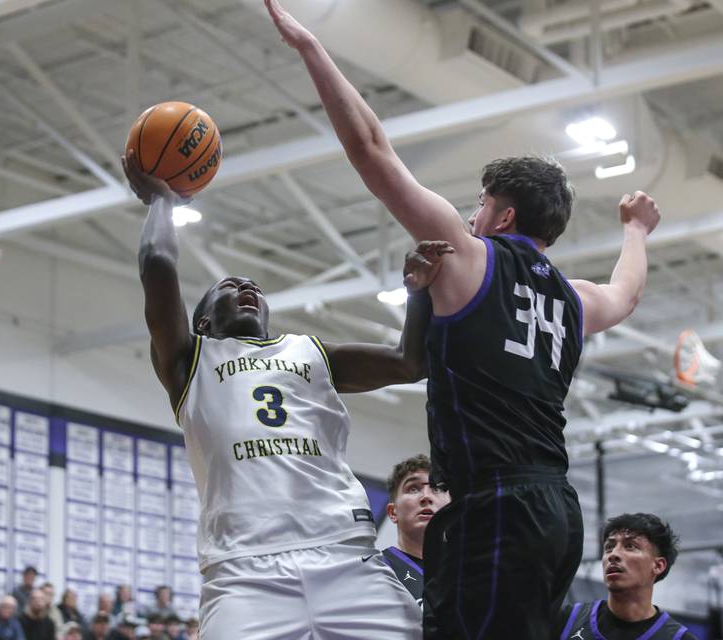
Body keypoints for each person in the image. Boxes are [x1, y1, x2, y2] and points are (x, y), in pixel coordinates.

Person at [264, 2, 662, 637]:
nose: (471, 214)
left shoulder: (471, 260)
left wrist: (312, 47)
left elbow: (372, 151)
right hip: (556, 508)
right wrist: (636, 230)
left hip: (496, 506)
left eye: (480, 204)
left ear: (502, 217)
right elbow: (628, 292)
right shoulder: (575, 297)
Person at [122, 145, 451, 640]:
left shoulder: (310, 352)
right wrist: (162, 202)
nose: (246, 287)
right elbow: (157, 264)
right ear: (205, 320)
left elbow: (410, 361)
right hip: (245, 571)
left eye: (253, 285)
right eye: (230, 286)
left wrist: (418, 291)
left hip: (344, 555)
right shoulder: (190, 362)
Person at [557, 513, 697, 639]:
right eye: (609, 547)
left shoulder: (678, 638)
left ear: (658, 566)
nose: (613, 554)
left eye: (630, 546)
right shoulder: (566, 620)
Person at [382, 454, 450, 607]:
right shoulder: (375, 570)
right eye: (413, 489)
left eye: (437, 488)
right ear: (393, 512)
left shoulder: (475, 571)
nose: (426, 497)